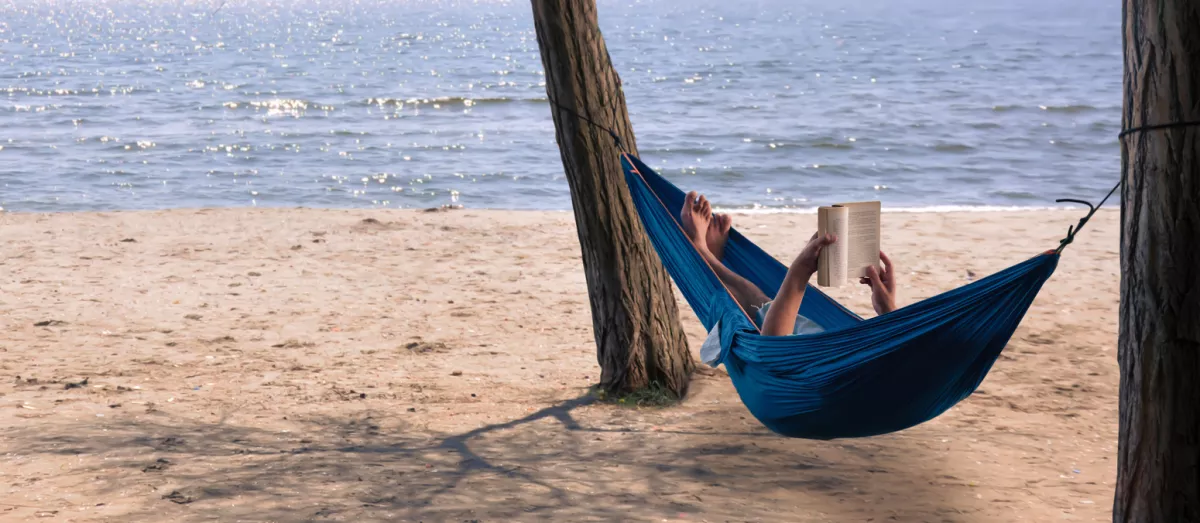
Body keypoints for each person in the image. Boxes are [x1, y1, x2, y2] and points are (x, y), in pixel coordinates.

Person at [680, 191, 897, 341]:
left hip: (818, 361)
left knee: (758, 308)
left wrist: (800, 272)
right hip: (847, 351)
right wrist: (888, 311)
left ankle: (704, 253)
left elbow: (776, 351)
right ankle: (712, 261)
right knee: (759, 310)